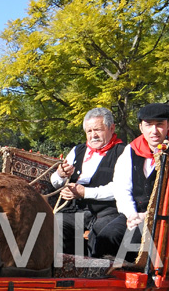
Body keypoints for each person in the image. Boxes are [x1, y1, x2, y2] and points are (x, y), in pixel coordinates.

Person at [92, 103, 169, 261]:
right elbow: (122, 189)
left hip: (164, 217)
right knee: (106, 237)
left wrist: (148, 216)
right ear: (141, 127)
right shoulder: (131, 150)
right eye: (148, 125)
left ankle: (132, 281)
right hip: (133, 213)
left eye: (160, 125)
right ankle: (100, 280)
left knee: (132, 243)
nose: (154, 131)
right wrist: (132, 215)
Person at [50, 107, 126, 256]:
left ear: (112, 128)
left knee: (100, 234)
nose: (93, 135)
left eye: (98, 130)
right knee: (55, 223)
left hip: (107, 212)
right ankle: (62, 269)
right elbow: (55, 183)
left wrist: (84, 192)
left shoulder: (124, 152)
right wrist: (60, 174)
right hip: (76, 211)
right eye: (89, 131)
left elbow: (121, 188)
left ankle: (95, 274)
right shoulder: (77, 150)